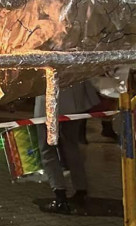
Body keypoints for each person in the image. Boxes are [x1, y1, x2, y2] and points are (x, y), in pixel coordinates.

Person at [35, 78, 100, 214]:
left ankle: (60, 196)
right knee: (71, 146)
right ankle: (81, 189)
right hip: (74, 102)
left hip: (48, 102)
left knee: (47, 149)